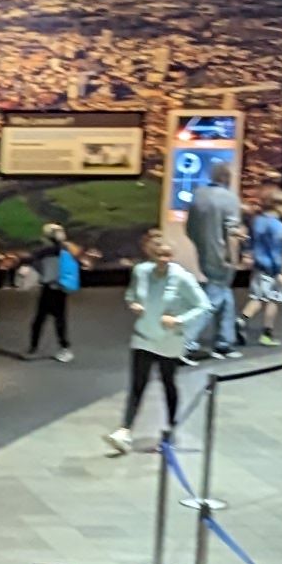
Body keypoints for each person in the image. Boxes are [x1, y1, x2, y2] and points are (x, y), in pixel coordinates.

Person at [104, 230, 209, 454]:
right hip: (143, 336)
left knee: (168, 384)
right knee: (137, 385)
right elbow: (131, 294)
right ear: (152, 255)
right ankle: (125, 430)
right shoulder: (141, 272)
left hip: (168, 341)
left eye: (168, 255)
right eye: (160, 255)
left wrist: (179, 320)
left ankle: (170, 429)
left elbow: (203, 305)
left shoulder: (182, 278)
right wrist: (133, 303)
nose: (164, 259)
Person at [183, 173, 245, 356]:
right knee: (213, 299)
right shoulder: (230, 199)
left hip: (204, 253)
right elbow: (232, 231)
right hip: (222, 256)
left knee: (225, 295)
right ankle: (186, 340)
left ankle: (225, 341)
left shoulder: (198, 195)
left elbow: (189, 229)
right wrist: (233, 258)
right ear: (228, 179)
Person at [24, 228, 79, 360]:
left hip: (51, 289)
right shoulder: (65, 251)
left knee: (41, 320)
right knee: (57, 320)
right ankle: (63, 349)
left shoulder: (46, 252)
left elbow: (36, 261)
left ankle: (34, 349)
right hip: (59, 289)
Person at [246, 190, 282, 333]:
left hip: (259, 266)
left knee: (257, 298)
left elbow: (251, 242)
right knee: (274, 300)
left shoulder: (257, 221)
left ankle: (241, 321)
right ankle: (267, 333)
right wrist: (280, 272)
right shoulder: (279, 227)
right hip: (272, 269)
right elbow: (276, 252)